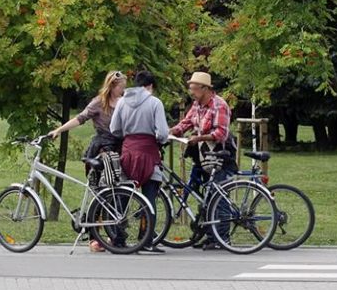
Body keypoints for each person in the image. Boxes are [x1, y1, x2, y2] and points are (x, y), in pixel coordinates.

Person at [50, 70, 127, 252]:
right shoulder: (99, 102)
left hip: (119, 149)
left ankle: (115, 234)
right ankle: (95, 237)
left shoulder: (124, 103)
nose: (123, 90)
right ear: (112, 86)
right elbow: (80, 118)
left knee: (118, 192)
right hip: (101, 150)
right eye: (121, 87)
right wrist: (59, 130)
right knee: (99, 193)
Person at [169, 71, 236, 250]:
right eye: (190, 88)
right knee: (207, 196)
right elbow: (186, 123)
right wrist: (171, 132)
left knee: (218, 196)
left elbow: (221, 133)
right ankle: (210, 236)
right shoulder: (197, 105)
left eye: (194, 88)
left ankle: (222, 239)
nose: (191, 92)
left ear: (205, 88)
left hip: (220, 156)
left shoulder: (219, 105)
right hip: (204, 157)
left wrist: (199, 138)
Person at [110, 70, 169, 254]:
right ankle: (146, 239)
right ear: (150, 86)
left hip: (128, 153)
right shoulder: (155, 103)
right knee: (149, 197)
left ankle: (118, 237)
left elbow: (114, 128)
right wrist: (159, 139)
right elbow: (163, 133)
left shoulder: (122, 102)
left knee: (124, 195)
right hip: (148, 153)